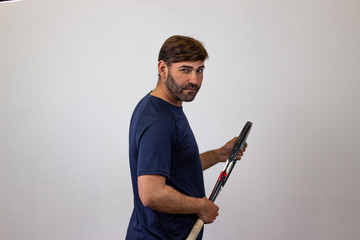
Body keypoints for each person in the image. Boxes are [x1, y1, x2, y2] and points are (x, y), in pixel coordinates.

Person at [126, 35, 247, 240]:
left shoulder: (164, 107)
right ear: (163, 69)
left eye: (199, 70)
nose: (194, 80)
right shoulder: (159, 121)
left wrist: (219, 155)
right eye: (185, 70)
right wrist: (201, 206)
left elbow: (175, 168)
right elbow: (151, 193)